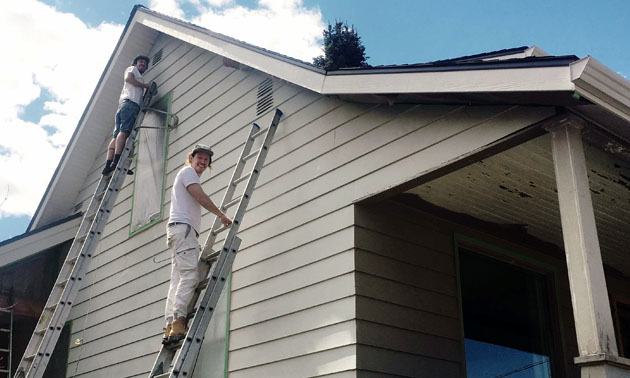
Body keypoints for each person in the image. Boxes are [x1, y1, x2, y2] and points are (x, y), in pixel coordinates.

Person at [163, 144, 233, 343]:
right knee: (190, 276)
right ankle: (178, 321)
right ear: (191, 159)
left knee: (176, 280)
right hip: (184, 231)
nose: (202, 162)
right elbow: (199, 196)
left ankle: (169, 326)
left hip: (178, 231)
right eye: (199, 158)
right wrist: (221, 215)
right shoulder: (187, 173)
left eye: (206, 160)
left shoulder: (184, 174)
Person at [102, 55, 152, 175]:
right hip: (130, 105)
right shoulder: (132, 69)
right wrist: (145, 86)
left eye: (145, 64)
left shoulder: (138, 75)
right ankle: (116, 162)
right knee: (124, 132)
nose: (143, 64)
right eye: (140, 62)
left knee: (116, 136)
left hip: (123, 106)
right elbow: (129, 79)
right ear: (135, 63)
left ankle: (108, 165)